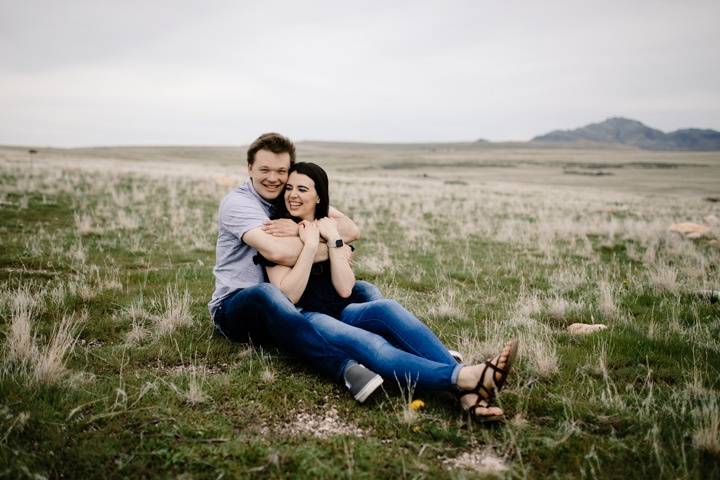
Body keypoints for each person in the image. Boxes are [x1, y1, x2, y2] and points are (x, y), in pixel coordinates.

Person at [262, 161, 518, 421]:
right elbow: (288, 296)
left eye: (302, 189)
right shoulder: (276, 229)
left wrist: (334, 240)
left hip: (341, 308)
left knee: (387, 308)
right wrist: (308, 246)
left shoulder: (328, 225)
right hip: (309, 317)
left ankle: (467, 393)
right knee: (373, 344)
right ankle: (463, 377)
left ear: (318, 196)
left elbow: (344, 288)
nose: (293, 195)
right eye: (290, 188)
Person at [209, 132, 385, 402]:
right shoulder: (239, 203)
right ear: (249, 169)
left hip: (287, 298)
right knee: (266, 295)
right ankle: (347, 369)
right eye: (264, 169)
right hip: (237, 306)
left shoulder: (290, 196)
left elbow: (351, 228)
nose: (273, 178)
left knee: (363, 290)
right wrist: (330, 247)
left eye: (281, 171)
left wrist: (303, 228)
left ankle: (395, 349)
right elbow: (275, 251)